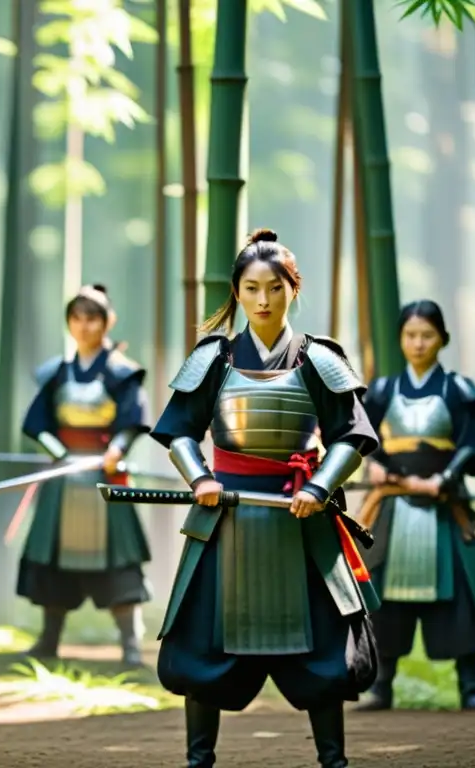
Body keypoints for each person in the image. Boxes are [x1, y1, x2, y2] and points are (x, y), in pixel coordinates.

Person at [150, 229, 379, 768]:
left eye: (274, 288)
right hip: (223, 517)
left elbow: (352, 434)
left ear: (292, 290)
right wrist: (199, 478)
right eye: (251, 288)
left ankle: (334, 761)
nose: (263, 300)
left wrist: (321, 486)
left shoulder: (320, 359)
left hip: (303, 517)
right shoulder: (213, 358)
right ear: (236, 292)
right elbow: (180, 429)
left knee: (325, 651)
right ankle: (198, 760)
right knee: (205, 648)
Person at [354, 300, 475, 712]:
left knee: (462, 597)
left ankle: (469, 687)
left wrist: (444, 478)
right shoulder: (382, 390)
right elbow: (358, 436)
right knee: (382, 597)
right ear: (401, 339)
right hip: (391, 508)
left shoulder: (457, 389)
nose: (418, 343)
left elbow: (474, 444)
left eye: (427, 335)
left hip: (444, 506)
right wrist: (375, 464)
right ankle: (381, 686)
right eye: (411, 335)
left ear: (442, 339)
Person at [17, 284, 152, 666]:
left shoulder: (120, 372)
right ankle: (48, 639)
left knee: (120, 564)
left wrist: (117, 450)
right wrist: (60, 454)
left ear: (108, 321)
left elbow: (132, 419)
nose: (84, 325)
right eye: (76, 317)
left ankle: (129, 645)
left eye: (92, 317)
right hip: (63, 477)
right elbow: (37, 423)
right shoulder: (56, 372)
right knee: (52, 562)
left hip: (107, 476)